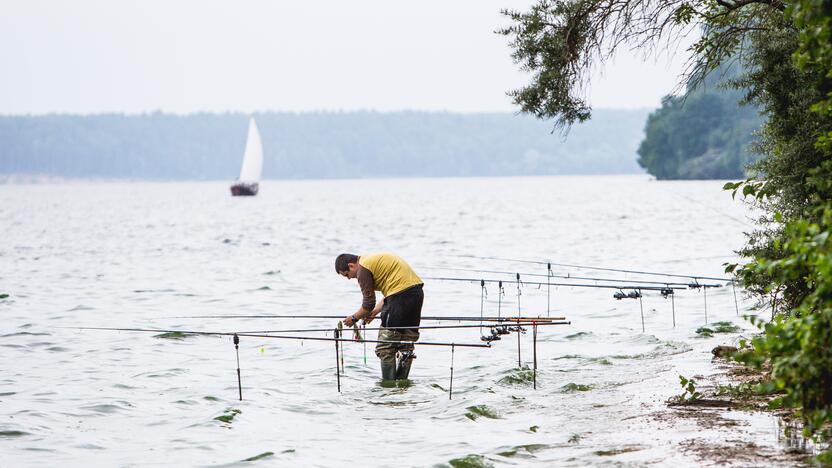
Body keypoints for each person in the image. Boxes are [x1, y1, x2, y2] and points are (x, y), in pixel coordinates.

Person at [336, 252, 424, 381]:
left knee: (385, 348)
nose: (349, 278)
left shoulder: (362, 269)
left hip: (399, 297)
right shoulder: (371, 261)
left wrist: (354, 318)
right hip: (416, 294)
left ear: (351, 265)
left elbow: (368, 304)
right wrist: (375, 312)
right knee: (406, 344)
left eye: (347, 275)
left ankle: (389, 388)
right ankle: (401, 389)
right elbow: (392, 291)